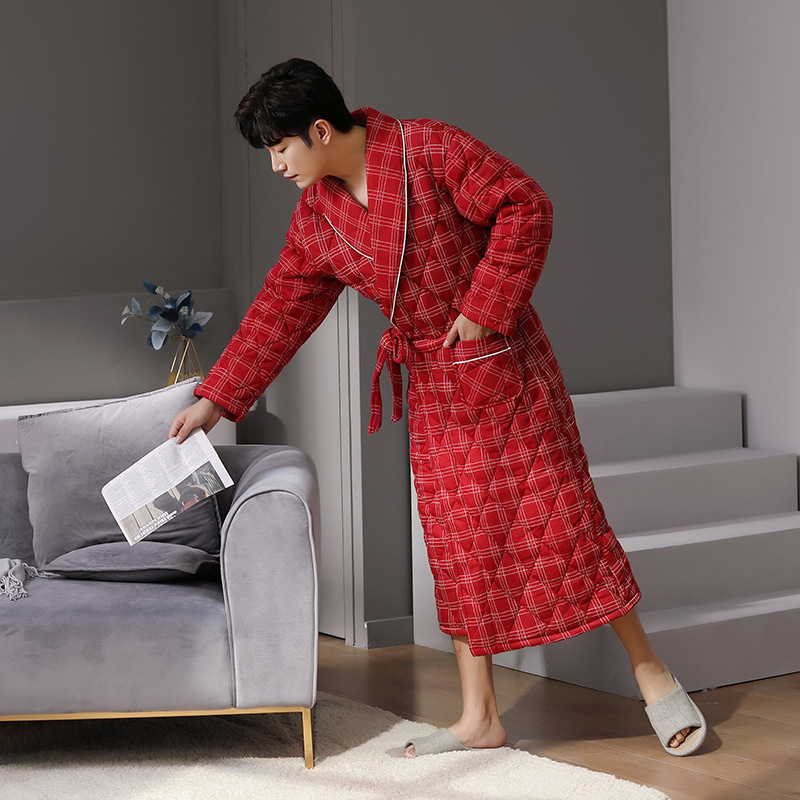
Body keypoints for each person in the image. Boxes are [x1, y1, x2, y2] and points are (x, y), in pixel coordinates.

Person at [169, 57, 707, 758]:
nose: (276, 166)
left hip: (505, 366)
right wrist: (217, 399)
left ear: (321, 131)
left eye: (280, 148)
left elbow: (525, 205)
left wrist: (484, 307)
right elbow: (282, 306)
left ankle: (651, 671)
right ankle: (479, 715)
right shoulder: (319, 218)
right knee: (457, 547)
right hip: (434, 385)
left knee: (565, 519)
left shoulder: (429, 148)